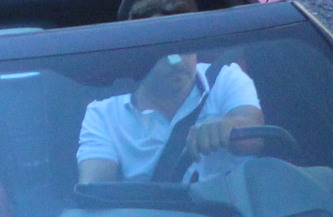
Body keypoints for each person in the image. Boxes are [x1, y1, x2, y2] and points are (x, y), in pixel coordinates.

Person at [75, 47, 262, 184]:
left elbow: (256, 135)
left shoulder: (226, 78)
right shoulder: (103, 112)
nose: (177, 62)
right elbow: (96, 193)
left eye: (184, 47)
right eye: (163, 51)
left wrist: (230, 127)